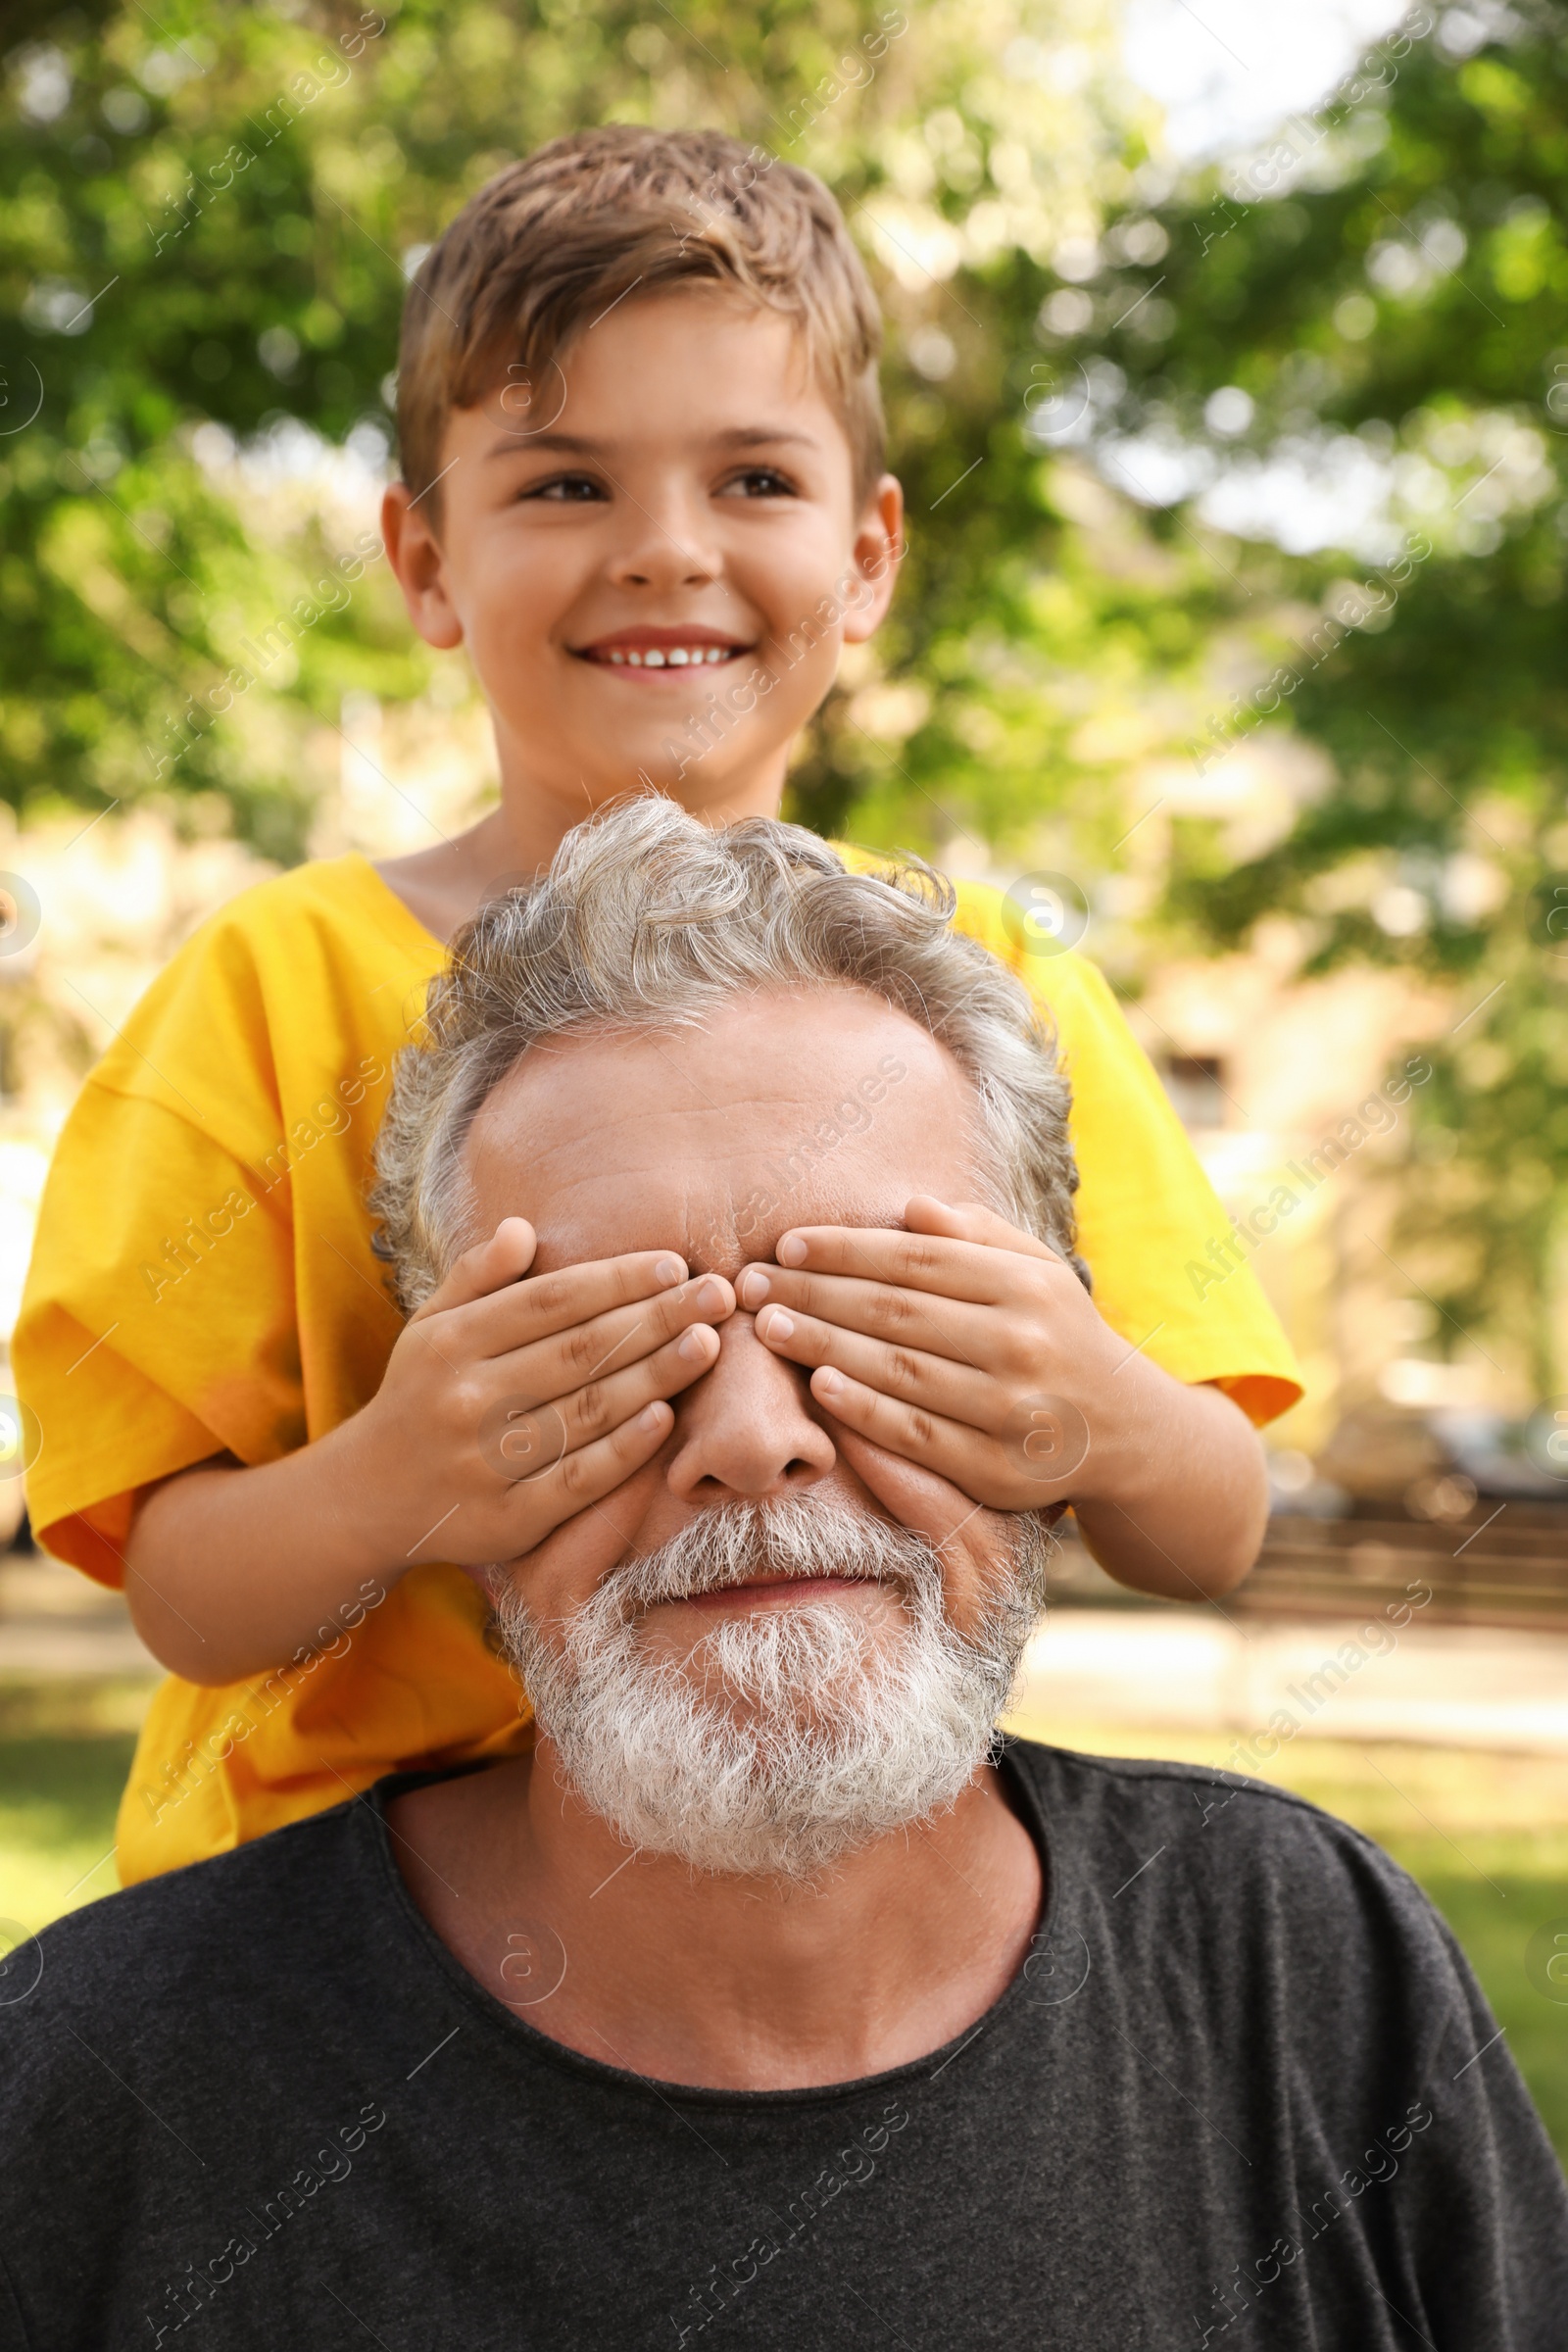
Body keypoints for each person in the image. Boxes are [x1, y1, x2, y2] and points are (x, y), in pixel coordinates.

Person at [2, 807, 1559, 2352]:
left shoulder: (1308, 1983)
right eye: (609, 1354)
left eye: (882, 1321)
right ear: (447, 1445)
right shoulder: (93, 2099)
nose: (752, 1441)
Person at [13, 124, 1299, 1887]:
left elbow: (1210, 1519)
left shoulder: (987, 980)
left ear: (866, 558)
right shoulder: (269, 991)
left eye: (754, 482)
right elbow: (179, 1594)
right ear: (424, 564)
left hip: (816, 1911)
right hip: (341, 1944)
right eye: (562, 485)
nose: (665, 552)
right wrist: (404, 1475)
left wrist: (1094, 1402)